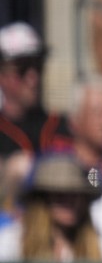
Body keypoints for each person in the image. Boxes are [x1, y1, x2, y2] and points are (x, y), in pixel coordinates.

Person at [0, 22, 72, 204]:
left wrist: (93, 173)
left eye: (38, 66)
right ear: (2, 75)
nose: (33, 78)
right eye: (23, 69)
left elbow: (94, 181)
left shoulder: (62, 124)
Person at [0, 152, 102, 263]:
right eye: (60, 194)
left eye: (76, 194)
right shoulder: (13, 241)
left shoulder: (98, 243)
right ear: (43, 199)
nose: (70, 201)